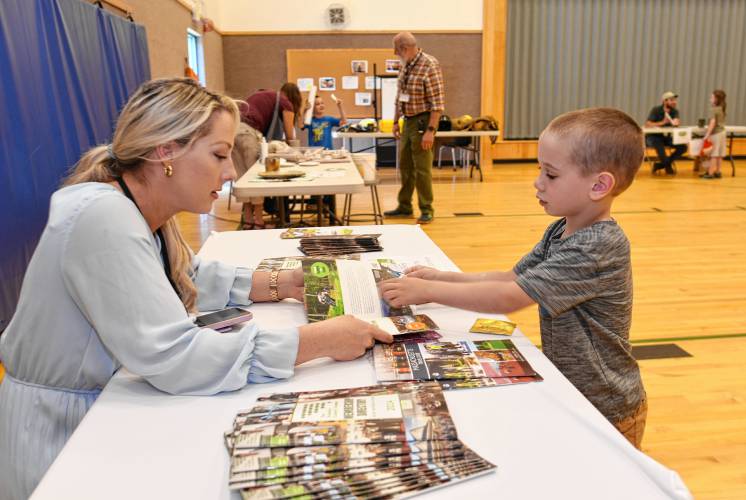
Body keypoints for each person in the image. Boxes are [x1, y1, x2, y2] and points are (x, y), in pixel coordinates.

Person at [0, 78, 392, 500]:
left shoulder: (134, 205)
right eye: (220, 155)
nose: (230, 172)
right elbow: (176, 356)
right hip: (60, 434)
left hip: (98, 410)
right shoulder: (104, 216)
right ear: (164, 151)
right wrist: (317, 341)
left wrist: (284, 283)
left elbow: (186, 274)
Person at [380, 108, 648, 449]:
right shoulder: (562, 229)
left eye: (550, 175)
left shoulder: (597, 245)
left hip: (607, 407)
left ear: (599, 185)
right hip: (575, 393)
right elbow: (510, 277)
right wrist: (440, 278)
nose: (538, 182)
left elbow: (510, 297)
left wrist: (427, 289)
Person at [385, 32, 445, 224]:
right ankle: (404, 206)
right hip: (408, 121)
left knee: (422, 169)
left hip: (423, 122)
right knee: (405, 166)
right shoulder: (406, 66)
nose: (395, 53)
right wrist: (396, 121)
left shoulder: (429, 65)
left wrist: (430, 131)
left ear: (404, 48)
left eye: (396, 49)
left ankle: (427, 209)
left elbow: (438, 103)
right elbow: (399, 97)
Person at [237, 82, 304, 229]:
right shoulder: (286, 102)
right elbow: (289, 135)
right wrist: (295, 154)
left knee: (243, 178)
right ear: (295, 98)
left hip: (234, 130)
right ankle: (259, 221)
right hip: (249, 133)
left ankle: (248, 220)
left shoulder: (265, 93)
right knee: (256, 178)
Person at [645, 91, 687, 175]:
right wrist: (663, 122)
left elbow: (676, 121)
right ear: (665, 101)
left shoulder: (674, 111)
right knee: (660, 148)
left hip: (666, 137)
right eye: (671, 100)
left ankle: (660, 165)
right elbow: (647, 124)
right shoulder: (656, 110)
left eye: (675, 100)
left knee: (683, 147)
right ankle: (667, 166)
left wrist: (676, 122)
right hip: (653, 137)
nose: (674, 102)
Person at [700, 89, 727, 179]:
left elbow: (713, 122)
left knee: (713, 154)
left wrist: (707, 134)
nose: (710, 99)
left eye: (712, 97)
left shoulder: (714, 109)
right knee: (719, 154)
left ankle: (710, 173)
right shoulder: (721, 108)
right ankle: (718, 172)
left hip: (716, 133)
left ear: (716, 99)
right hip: (722, 132)